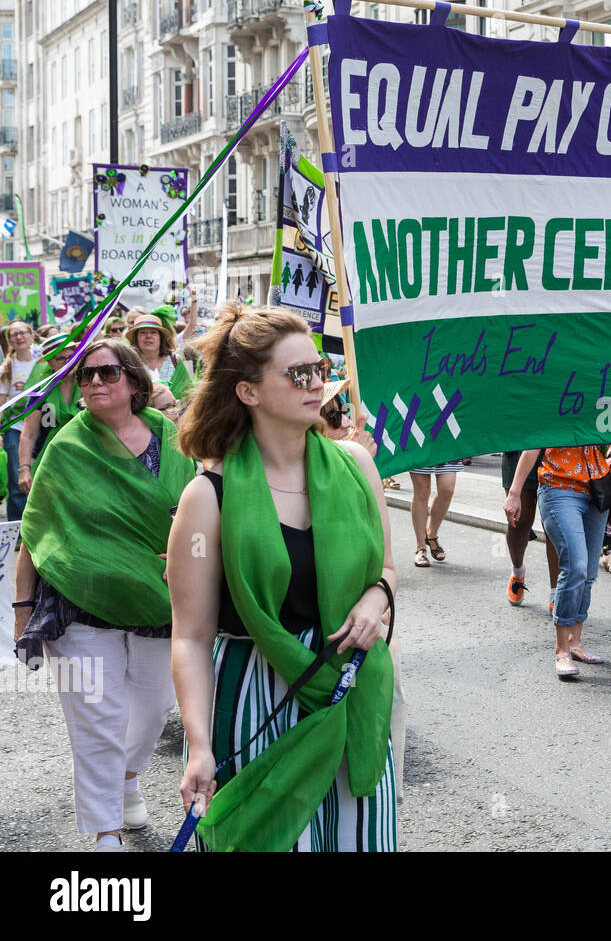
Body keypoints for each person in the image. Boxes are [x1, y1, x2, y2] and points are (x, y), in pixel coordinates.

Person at [169, 305, 398, 851]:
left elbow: (386, 570)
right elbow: (191, 636)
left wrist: (375, 599)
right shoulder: (208, 496)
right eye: (298, 374)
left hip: (351, 689)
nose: (317, 383)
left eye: (319, 368)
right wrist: (198, 744)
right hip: (256, 690)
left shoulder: (357, 465)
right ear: (248, 392)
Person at [12, 339, 193, 851]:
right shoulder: (67, 447)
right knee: (96, 717)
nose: (94, 382)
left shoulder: (174, 438)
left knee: (152, 713)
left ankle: (129, 779)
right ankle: (105, 830)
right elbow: (37, 529)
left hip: (161, 604)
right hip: (79, 607)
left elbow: (198, 511)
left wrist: (188, 552)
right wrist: (23, 609)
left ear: (134, 381)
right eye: (85, 375)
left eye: (107, 373)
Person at [505, 446, 611, 679]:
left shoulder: (601, 407)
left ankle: (575, 642)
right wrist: (514, 493)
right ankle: (562, 650)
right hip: (559, 488)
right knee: (575, 567)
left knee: (589, 573)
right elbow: (533, 445)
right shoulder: (555, 408)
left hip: (596, 488)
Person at [16, 333, 80, 493]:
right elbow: (28, 434)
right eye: (61, 359)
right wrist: (24, 469)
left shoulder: (90, 384)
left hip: (86, 459)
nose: (68, 361)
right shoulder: (40, 392)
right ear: (49, 362)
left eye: (71, 356)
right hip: (51, 463)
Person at [500, 449, 560, 607]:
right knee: (519, 522)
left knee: (555, 525)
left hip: (554, 446)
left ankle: (557, 591)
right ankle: (517, 571)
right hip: (520, 442)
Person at [0, 321, 40, 519]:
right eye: (14, 334)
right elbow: (2, 404)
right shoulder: (7, 368)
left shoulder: (44, 362)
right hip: (15, 427)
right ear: (9, 341)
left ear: (32, 336)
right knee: (17, 479)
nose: (19, 337)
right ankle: (17, 529)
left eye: (23, 332)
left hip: (43, 427)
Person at [126, 314, 196, 401]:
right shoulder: (130, 364)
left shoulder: (175, 360)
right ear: (136, 338)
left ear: (160, 337)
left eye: (153, 332)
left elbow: (188, 393)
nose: (148, 336)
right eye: (143, 332)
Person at [410, 459, 461, 565]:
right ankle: (421, 547)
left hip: (445, 444)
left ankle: (431, 534)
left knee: (447, 489)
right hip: (420, 445)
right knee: (421, 490)